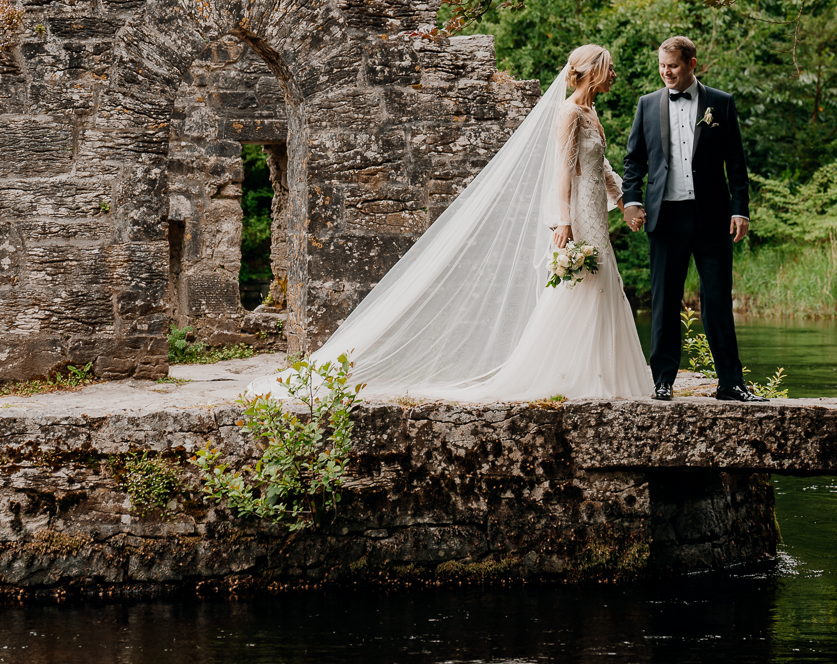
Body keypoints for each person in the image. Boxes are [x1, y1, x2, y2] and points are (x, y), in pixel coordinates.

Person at [243, 44, 646, 402]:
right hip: (576, 216)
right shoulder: (568, 112)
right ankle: (568, 373)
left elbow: (602, 168)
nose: (614, 75)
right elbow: (561, 170)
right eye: (609, 69)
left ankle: (600, 372)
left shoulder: (592, 112)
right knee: (578, 287)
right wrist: (562, 221)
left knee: (600, 285)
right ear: (593, 71)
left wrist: (624, 202)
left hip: (595, 214)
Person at [620, 35, 761, 403]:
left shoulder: (720, 102)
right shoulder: (647, 104)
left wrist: (739, 207)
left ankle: (730, 383)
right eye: (662, 66)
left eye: (674, 66)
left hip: (712, 216)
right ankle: (663, 381)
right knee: (665, 300)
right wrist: (631, 200)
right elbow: (634, 160)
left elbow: (737, 161)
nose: (666, 72)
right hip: (665, 217)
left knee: (717, 299)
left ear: (692, 64)